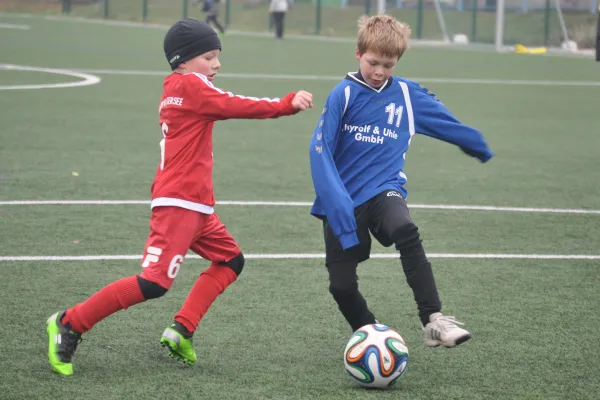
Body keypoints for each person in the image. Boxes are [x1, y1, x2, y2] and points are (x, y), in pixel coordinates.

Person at [46, 18, 313, 376]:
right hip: (179, 203)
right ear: (183, 61)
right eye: (208, 57)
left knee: (231, 261)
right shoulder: (190, 85)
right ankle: (70, 322)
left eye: (217, 56)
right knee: (153, 283)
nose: (216, 64)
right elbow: (235, 104)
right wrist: (286, 104)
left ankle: (181, 329)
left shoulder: (179, 85)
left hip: (196, 204)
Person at [308, 15, 493, 348]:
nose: (379, 72)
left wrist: (474, 143)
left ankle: (433, 320)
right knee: (342, 287)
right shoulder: (344, 94)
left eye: (388, 65)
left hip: (384, 189)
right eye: (373, 62)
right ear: (358, 54)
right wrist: (335, 205)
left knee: (405, 229)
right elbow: (319, 150)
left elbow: (443, 121)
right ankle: (372, 336)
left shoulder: (407, 95)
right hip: (343, 201)